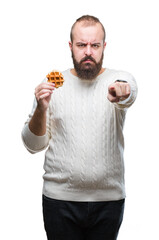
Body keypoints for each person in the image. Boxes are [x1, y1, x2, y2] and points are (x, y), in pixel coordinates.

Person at [22, 15, 137, 240]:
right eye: (81, 45)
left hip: (109, 200)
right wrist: (41, 109)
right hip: (59, 201)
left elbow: (129, 91)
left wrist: (123, 91)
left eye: (95, 45)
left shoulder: (118, 79)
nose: (88, 52)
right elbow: (33, 145)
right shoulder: (52, 85)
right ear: (71, 46)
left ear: (104, 47)